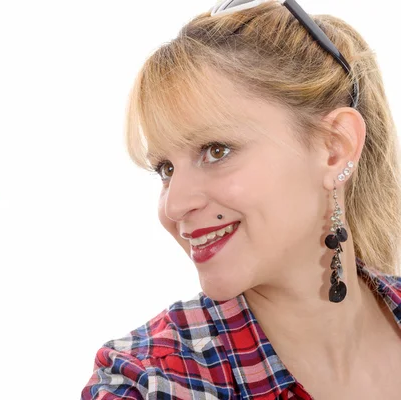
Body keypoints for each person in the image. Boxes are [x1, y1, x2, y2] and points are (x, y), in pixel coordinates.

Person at [80, 0, 401, 399]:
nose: (174, 206)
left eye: (216, 150)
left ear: (334, 148)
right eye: (166, 168)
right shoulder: (147, 381)